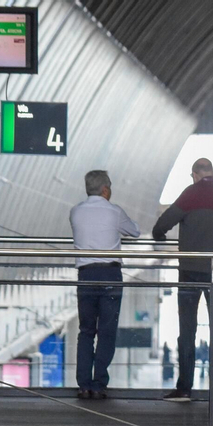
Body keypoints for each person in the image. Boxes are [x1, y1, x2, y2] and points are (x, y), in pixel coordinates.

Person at [153, 158, 213, 403]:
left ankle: (185, 389)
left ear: (195, 175)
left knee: (187, 330)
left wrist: (159, 236)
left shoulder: (190, 194)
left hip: (190, 271)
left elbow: (163, 224)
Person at [70, 170, 140, 399]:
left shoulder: (76, 211)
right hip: (110, 275)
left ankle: (83, 383)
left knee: (86, 330)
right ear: (106, 189)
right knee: (107, 331)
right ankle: (99, 382)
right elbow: (135, 232)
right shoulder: (114, 211)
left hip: (86, 275)